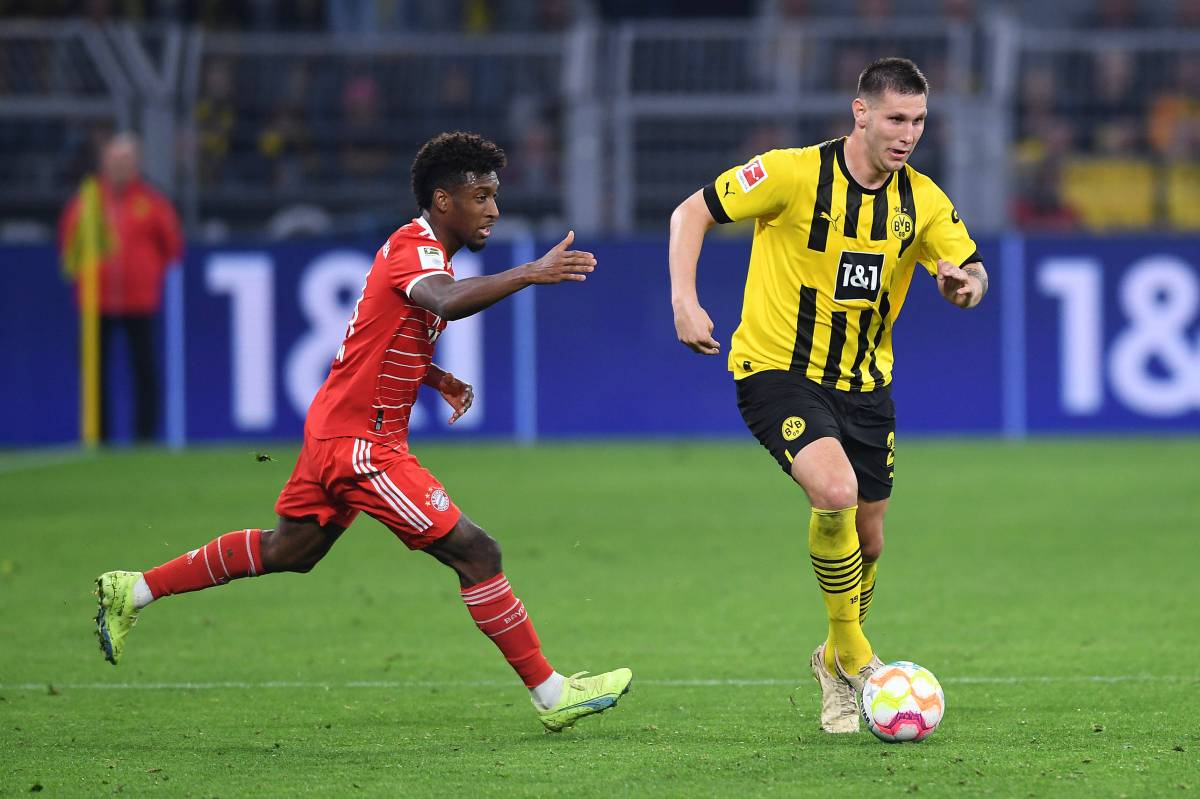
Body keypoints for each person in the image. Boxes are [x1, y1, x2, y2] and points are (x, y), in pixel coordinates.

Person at [94, 132, 633, 732]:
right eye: (481, 196)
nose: (494, 210)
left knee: (290, 551)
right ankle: (552, 694)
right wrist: (531, 272)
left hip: (335, 431)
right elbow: (445, 302)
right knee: (477, 552)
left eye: (494, 196)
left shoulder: (423, 252)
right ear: (443, 200)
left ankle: (134, 590)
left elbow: (374, 338)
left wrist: (435, 378)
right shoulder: (414, 248)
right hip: (362, 446)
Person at [667, 58, 987, 734]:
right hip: (777, 370)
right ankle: (856, 656)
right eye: (896, 118)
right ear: (861, 112)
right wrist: (684, 301)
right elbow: (691, 211)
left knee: (869, 540)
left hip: (867, 386)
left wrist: (966, 288)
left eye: (919, 121)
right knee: (834, 490)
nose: (908, 134)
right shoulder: (789, 174)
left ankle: (832, 659)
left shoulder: (923, 201)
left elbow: (971, 270)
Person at [58, 133, 183, 442]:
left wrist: (146, 273)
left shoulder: (152, 202)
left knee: (144, 369)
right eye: (114, 159)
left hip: (139, 300)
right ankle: (99, 437)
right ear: (104, 162)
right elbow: (68, 245)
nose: (119, 166)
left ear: (136, 163)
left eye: (125, 160)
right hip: (95, 302)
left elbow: (172, 247)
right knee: (94, 371)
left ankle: (145, 436)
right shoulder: (87, 201)